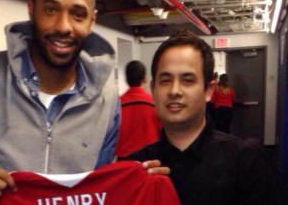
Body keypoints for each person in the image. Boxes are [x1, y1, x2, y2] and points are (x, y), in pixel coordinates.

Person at [0, 0, 168, 204]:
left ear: (91, 21)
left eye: (77, 14)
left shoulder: (107, 99)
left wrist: (138, 177)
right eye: (51, 9)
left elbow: (97, 186)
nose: (63, 26)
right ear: (32, 10)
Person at [120, 30, 283, 205]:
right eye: (166, 80)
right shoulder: (136, 167)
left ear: (209, 90)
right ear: (153, 89)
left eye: (188, 80)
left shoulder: (246, 163)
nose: (175, 91)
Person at [116, 60, 161, 157]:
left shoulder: (117, 106)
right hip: (150, 162)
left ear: (127, 79)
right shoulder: (155, 103)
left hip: (124, 163)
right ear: (145, 78)